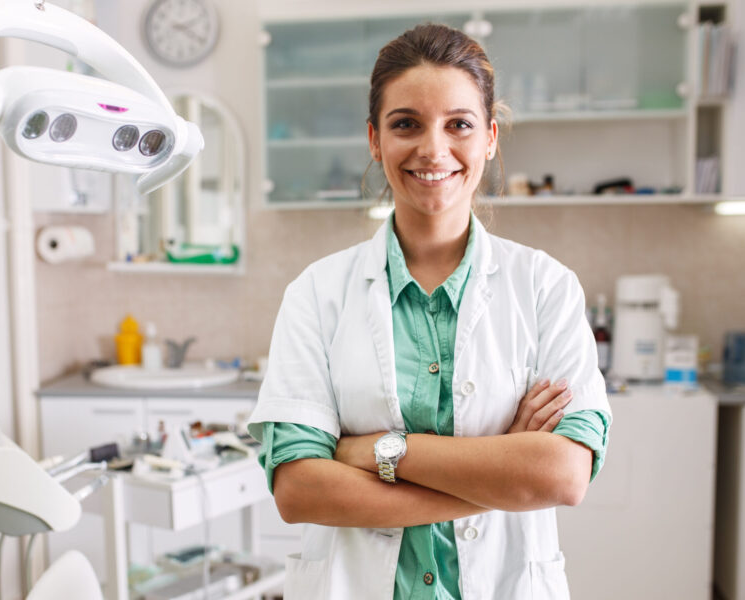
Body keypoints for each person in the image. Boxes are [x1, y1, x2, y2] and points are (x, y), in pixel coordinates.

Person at [247, 23, 611, 600]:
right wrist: (500, 473)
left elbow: (562, 476)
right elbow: (298, 491)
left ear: (490, 137)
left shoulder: (545, 287)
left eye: (459, 124)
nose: (433, 149)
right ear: (374, 139)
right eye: (406, 124)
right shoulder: (317, 293)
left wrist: (378, 452)